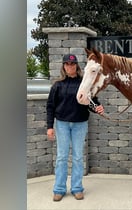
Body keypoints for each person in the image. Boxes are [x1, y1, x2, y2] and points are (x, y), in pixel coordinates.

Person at [46, 54, 104, 202]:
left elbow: (92, 102)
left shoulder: (84, 83)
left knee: (78, 157)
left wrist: (97, 108)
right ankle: (59, 189)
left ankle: (77, 188)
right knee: (61, 157)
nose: (69, 66)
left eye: (72, 64)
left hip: (80, 124)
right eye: (67, 64)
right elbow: (50, 107)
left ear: (76, 66)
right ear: (63, 66)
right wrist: (50, 127)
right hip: (62, 124)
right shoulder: (57, 85)